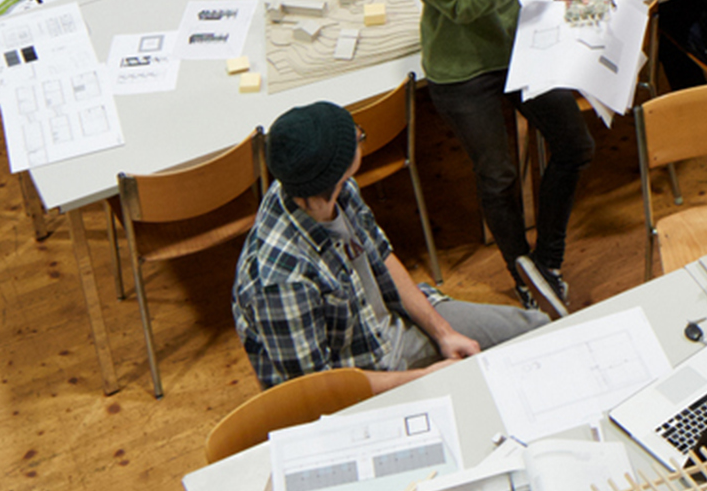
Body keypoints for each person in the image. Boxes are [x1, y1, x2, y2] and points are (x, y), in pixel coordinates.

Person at [392, 0, 601, 312]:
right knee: (498, 175)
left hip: (514, 44)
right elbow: (462, 8)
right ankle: (522, 273)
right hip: (462, 66)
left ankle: (546, 262)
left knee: (575, 145)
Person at [232, 101, 551, 391]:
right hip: (363, 377)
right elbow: (319, 390)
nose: (360, 137)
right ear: (335, 173)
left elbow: (381, 256)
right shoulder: (281, 281)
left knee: (538, 331)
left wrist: (442, 332)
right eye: (357, 138)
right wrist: (425, 379)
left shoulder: (329, 189)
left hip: (393, 328)